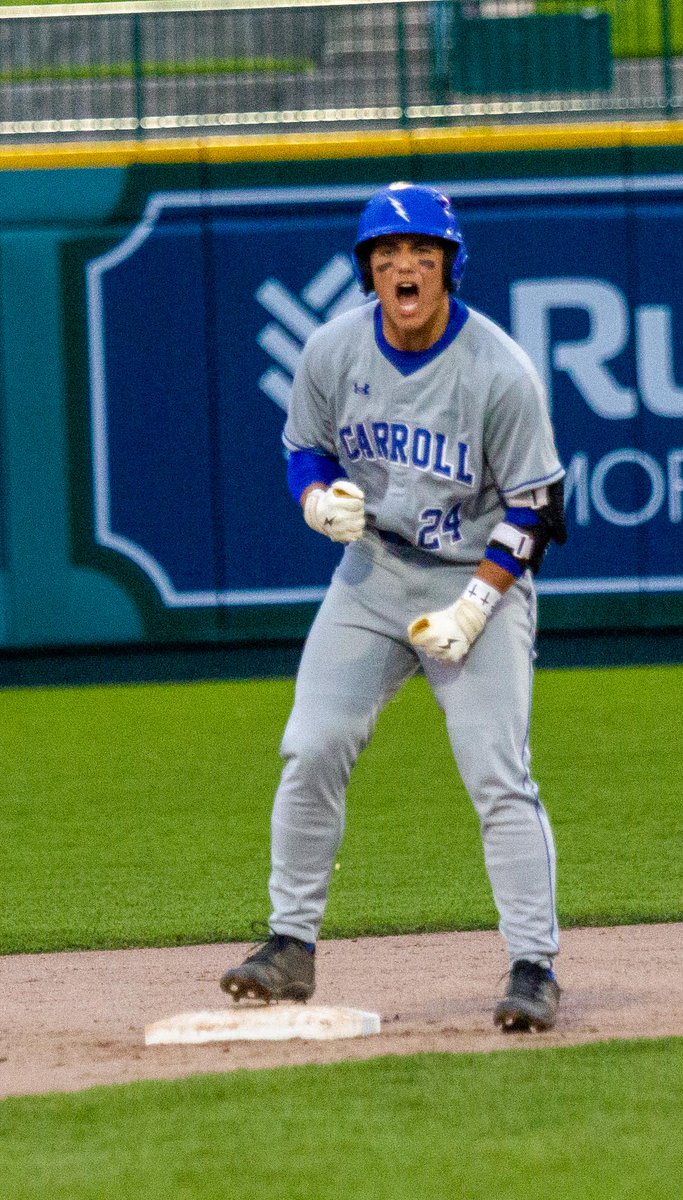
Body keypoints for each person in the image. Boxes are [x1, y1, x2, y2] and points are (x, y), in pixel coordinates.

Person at [220, 182, 567, 1032]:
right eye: (386, 255)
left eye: (420, 253)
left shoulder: (498, 370)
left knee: (496, 770)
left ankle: (533, 966)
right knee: (311, 745)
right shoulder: (333, 350)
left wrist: (476, 610)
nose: (402, 266)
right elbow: (303, 446)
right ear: (368, 270)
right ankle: (289, 945)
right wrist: (312, 499)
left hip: (473, 575)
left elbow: (539, 507)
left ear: (447, 266)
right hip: (374, 575)